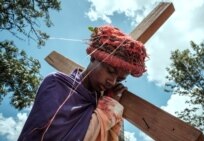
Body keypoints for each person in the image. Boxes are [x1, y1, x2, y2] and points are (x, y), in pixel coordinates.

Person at [18, 25, 147, 141]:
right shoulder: (56, 83)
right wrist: (108, 109)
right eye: (110, 71)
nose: (112, 82)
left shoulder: (99, 102)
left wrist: (108, 106)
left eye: (119, 80)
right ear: (93, 57)